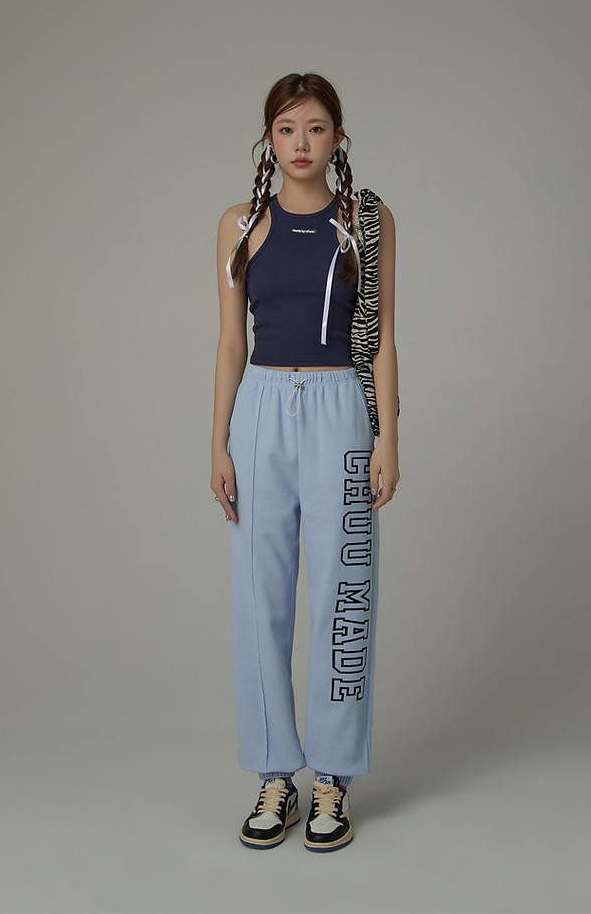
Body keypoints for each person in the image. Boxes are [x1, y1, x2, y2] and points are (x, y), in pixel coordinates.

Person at [210, 72, 400, 852]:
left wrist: (388, 437)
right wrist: (217, 441)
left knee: (343, 592)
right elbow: (230, 340)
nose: (301, 143)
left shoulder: (366, 220)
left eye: (316, 128)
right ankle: (273, 774)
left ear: (337, 138)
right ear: (269, 137)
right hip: (260, 410)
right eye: (287, 128)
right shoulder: (239, 224)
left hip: (339, 411)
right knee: (260, 597)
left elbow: (382, 336)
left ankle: (333, 777)